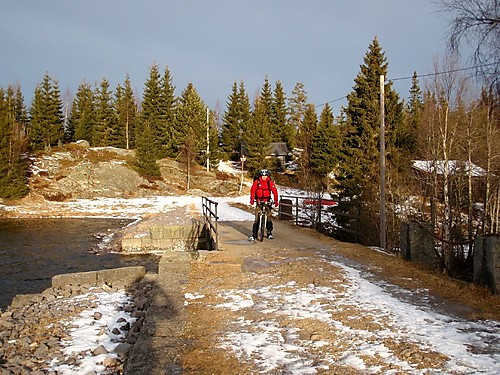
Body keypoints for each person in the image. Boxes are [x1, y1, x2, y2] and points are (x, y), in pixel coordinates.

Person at [249, 169, 279, 241]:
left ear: (267, 176)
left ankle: (269, 232)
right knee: (257, 218)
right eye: (263, 176)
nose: (264, 177)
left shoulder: (270, 182)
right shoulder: (257, 182)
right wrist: (252, 199)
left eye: (265, 176)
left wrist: (276, 200)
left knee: (269, 217)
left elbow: (274, 191)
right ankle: (254, 235)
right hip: (259, 200)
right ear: (260, 176)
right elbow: (253, 190)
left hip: (267, 200)